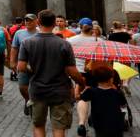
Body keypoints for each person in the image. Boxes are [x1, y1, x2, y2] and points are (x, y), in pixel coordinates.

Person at [18, 9, 85, 137]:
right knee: (59, 128)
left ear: (38, 22)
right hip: (60, 90)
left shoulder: (27, 43)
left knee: (38, 126)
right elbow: (72, 71)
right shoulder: (64, 44)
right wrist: (81, 83)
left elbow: (20, 67)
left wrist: (32, 69)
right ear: (54, 23)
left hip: (38, 90)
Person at [69, 18, 99, 136]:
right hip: (95, 71)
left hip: (79, 71)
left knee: (82, 98)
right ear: (91, 27)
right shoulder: (99, 40)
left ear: (80, 26)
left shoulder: (71, 40)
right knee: (96, 97)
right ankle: (94, 118)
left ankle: (82, 123)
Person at [80, 64, 127, 137]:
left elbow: (80, 98)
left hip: (98, 123)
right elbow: (123, 105)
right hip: (116, 124)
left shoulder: (91, 91)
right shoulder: (117, 93)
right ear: (111, 79)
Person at [9, 13, 38, 114]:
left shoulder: (41, 32)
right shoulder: (19, 33)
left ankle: (34, 103)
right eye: (26, 20)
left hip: (38, 64)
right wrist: (12, 62)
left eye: (30, 20)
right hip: (23, 63)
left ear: (36, 21)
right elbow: (14, 48)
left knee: (37, 86)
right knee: (22, 87)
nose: (27, 22)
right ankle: (28, 100)